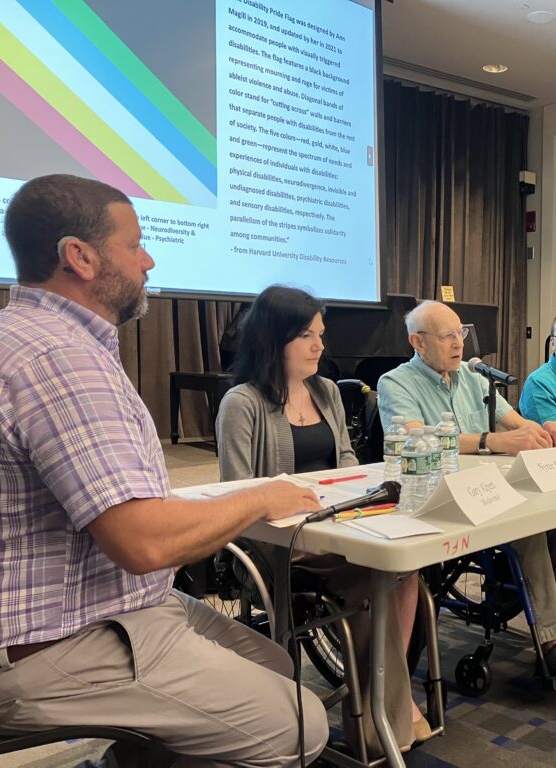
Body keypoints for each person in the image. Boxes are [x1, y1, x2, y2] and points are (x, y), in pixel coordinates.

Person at [0, 174, 327, 766]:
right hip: (50, 642)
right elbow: (143, 542)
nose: (149, 259)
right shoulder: (59, 359)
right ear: (78, 257)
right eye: (135, 245)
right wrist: (263, 497)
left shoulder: (45, 340)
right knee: (297, 723)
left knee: (273, 664)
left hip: (93, 607)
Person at [216, 285, 427, 754]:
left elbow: (348, 461)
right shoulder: (242, 404)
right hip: (280, 545)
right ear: (275, 340)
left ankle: (381, 701)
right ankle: (385, 719)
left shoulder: (327, 391)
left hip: (338, 526)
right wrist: (291, 504)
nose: (320, 346)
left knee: (406, 568)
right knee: (377, 582)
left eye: (320, 334)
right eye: (307, 336)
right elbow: (237, 493)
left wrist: (359, 497)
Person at [378, 300, 556, 685]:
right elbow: (414, 433)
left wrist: (543, 431)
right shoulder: (395, 382)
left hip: (487, 486)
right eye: (447, 336)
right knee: (526, 522)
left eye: (461, 333)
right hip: (438, 494)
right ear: (418, 341)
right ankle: (553, 641)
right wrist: (490, 441)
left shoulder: (475, 377)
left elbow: (516, 423)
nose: (458, 343)